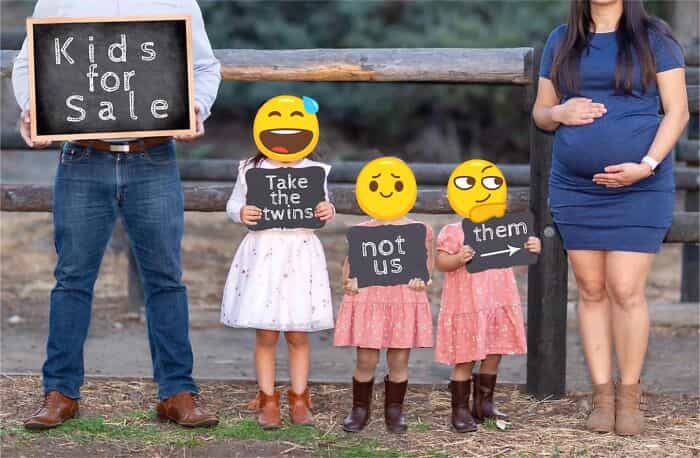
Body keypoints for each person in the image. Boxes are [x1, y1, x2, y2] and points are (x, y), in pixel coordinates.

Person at [13, 0, 221, 430]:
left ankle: (177, 392)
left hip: (154, 156)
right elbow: (27, 63)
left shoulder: (176, 1)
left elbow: (205, 67)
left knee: (165, 278)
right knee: (72, 279)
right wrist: (35, 108)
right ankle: (60, 392)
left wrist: (197, 106)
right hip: (82, 157)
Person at [532, 0, 688, 436]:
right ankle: (602, 397)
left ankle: (629, 398)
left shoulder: (654, 37)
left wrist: (647, 165)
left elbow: (677, 111)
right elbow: (541, 112)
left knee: (625, 288)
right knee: (591, 288)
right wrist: (558, 113)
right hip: (575, 188)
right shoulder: (562, 40)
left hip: (641, 184)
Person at [222, 95, 335, 429]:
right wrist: (240, 212)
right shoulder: (251, 169)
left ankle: (299, 398)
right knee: (267, 334)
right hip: (264, 256)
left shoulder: (314, 171)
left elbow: (324, 206)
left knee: (298, 333)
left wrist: (327, 210)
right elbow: (233, 205)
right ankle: (268, 398)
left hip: (301, 255)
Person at [334, 157, 433, 434]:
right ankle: (360, 409)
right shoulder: (363, 232)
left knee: (399, 360)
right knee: (366, 359)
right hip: (370, 301)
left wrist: (421, 281)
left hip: (403, 300)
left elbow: (426, 270)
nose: (387, 190)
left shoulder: (420, 230)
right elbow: (349, 268)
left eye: (396, 185)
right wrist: (349, 282)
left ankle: (394, 410)